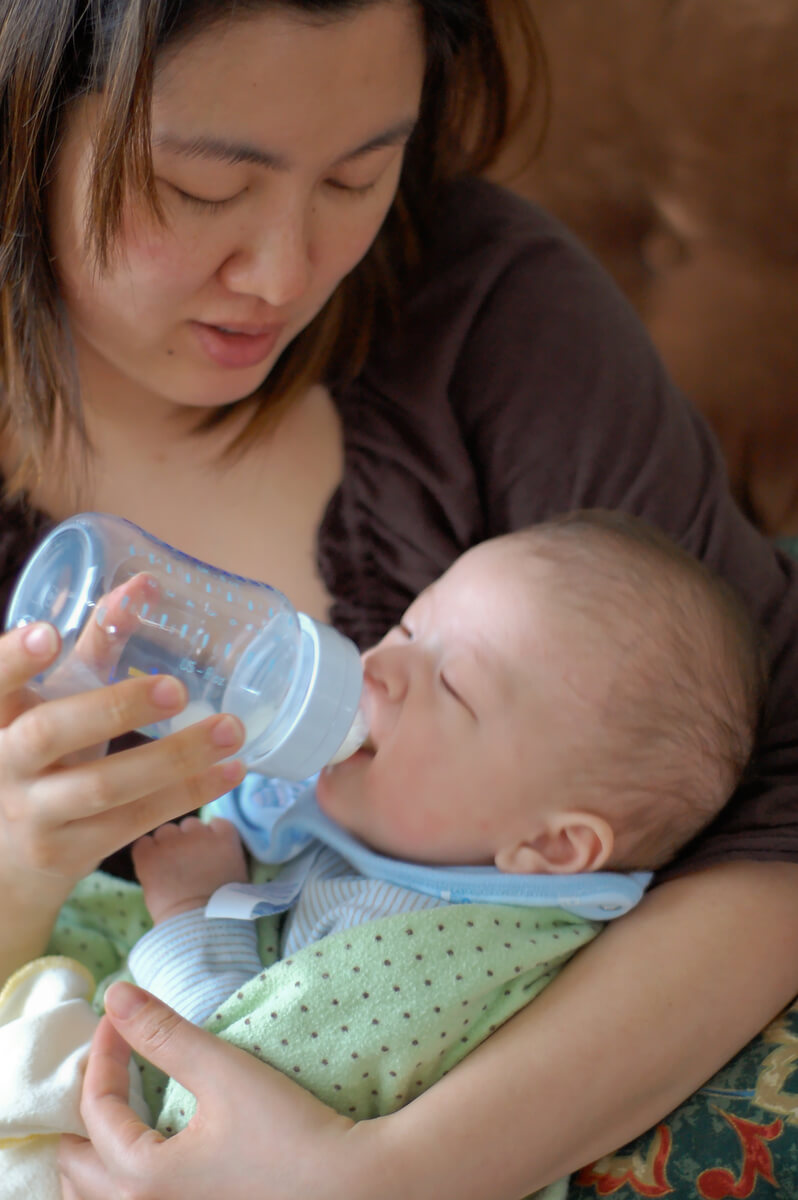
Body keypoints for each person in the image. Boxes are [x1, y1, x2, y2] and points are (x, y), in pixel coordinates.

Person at [0, 2, 795, 1198]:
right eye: (203, 188)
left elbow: (782, 796)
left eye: (359, 175)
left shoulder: (482, 301)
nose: (283, 273)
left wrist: (389, 1176)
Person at [128, 511, 768, 1033]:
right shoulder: (401, 820)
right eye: (409, 627)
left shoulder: (418, 953)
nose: (379, 666)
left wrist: (190, 910)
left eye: (454, 687)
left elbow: (236, 1099)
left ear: (550, 844)